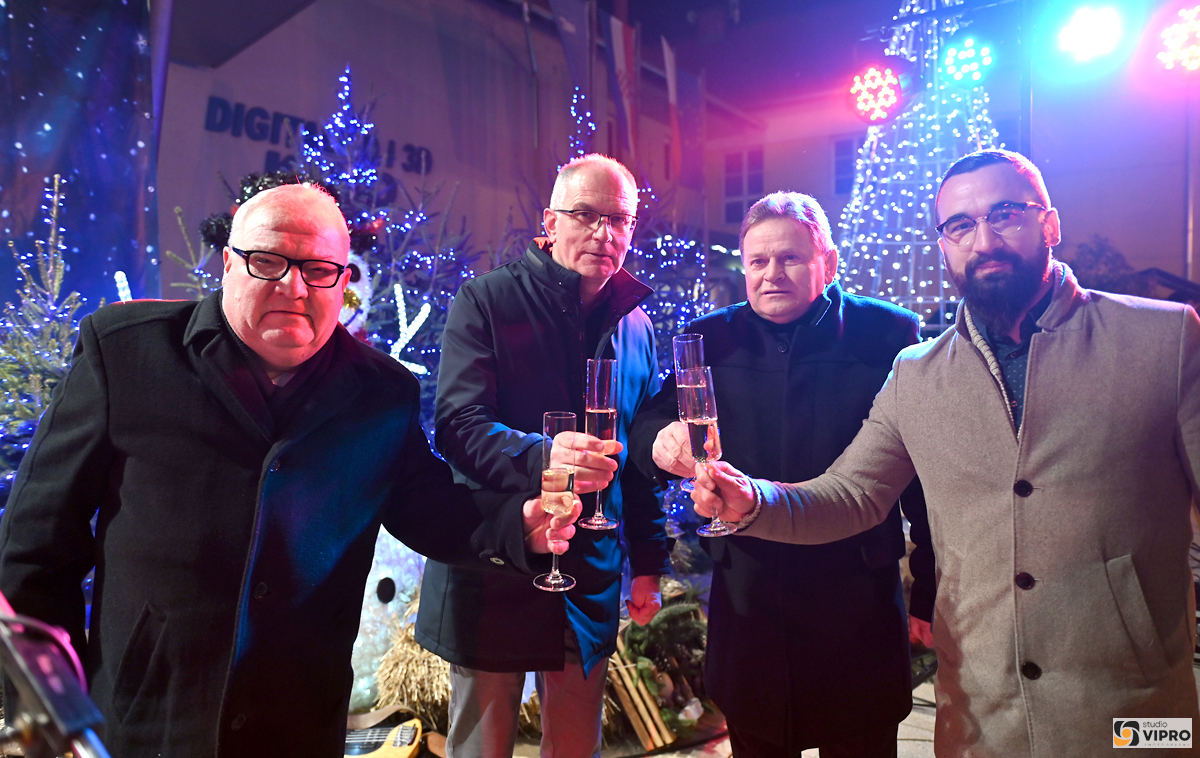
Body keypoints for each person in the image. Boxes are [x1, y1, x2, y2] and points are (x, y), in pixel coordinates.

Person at [0, 183, 580, 758]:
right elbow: (35, 547)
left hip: (298, 723)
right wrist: (54, 715)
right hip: (145, 721)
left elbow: (428, 507)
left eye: (318, 270)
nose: (294, 287)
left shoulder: (383, 391)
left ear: (343, 281)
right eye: (268, 261)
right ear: (229, 263)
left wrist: (519, 524)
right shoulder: (127, 354)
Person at [692, 150, 1200, 757]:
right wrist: (752, 501)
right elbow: (854, 493)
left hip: (1134, 719)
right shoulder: (918, 372)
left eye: (1005, 214)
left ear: (1050, 224)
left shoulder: (1165, 339)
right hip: (981, 717)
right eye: (960, 225)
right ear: (944, 245)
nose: (983, 241)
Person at [627, 191, 933, 758]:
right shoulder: (710, 337)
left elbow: (922, 472)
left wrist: (930, 587)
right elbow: (647, 422)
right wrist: (659, 441)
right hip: (751, 593)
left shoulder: (887, 334)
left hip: (855, 594)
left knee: (860, 737)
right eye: (758, 261)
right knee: (758, 734)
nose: (772, 274)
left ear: (828, 263)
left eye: (790, 258)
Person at [416, 154, 669, 758]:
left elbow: (636, 461)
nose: (604, 233)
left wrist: (649, 561)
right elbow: (458, 427)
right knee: (482, 747)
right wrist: (546, 459)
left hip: (592, 571)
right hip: (497, 560)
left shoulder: (637, 326)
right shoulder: (487, 300)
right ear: (551, 222)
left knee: (577, 746)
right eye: (585, 215)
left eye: (619, 219)